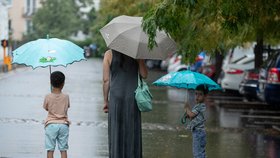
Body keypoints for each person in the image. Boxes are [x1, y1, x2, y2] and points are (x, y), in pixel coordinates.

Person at [102, 49, 148, 158]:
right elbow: (144, 75)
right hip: (133, 97)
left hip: (115, 97)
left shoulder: (109, 54)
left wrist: (105, 100)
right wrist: (140, 59)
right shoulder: (137, 52)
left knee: (116, 130)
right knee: (132, 129)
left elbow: (106, 80)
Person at [43, 71, 70, 158]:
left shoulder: (48, 96)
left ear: (51, 83)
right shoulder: (66, 96)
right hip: (63, 125)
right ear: (63, 84)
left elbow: (46, 108)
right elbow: (67, 108)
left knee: (50, 149)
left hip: (51, 125)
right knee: (63, 149)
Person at [184, 84, 208, 158]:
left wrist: (187, 108)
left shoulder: (200, 106)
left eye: (200, 94)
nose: (197, 96)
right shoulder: (198, 106)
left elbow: (191, 115)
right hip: (199, 132)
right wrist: (187, 115)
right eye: (196, 94)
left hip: (198, 133)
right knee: (200, 152)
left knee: (197, 153)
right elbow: (192, 117)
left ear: (205, 96)